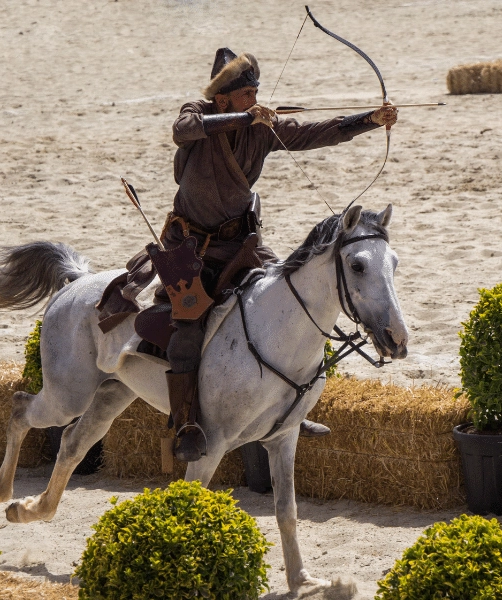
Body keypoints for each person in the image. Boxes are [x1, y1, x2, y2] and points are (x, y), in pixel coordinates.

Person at [161, 47, 398, 462]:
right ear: (222, 99)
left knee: (288, 295)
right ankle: (185, 423)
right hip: (188, 244)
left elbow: (313, 133)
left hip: (241, 242)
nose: (256, 100)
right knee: (188, 321)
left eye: (256, 92)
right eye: (247, 94)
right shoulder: (199, 113)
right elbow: (183, 130)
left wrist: (370, 121)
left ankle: (289, 408)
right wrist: (244, 117)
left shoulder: (261, 128)